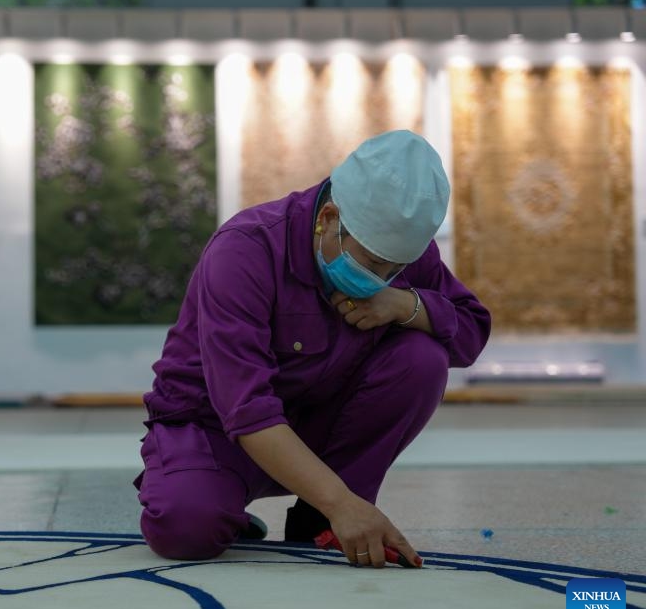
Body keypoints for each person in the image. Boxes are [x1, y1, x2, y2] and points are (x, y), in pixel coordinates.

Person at [134, 130, 491, 568]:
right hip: (215, 430)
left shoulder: (396, 251)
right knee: (187, 528)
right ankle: (234, 507)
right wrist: (344, 502)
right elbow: (247, 410)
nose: (383, 276)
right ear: (327, 218)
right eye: (374, 265)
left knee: (422, 359)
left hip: (318, 421)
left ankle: (316, 519)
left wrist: (405, 304)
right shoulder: (245, 251)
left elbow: (471, 332)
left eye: (395, 269)